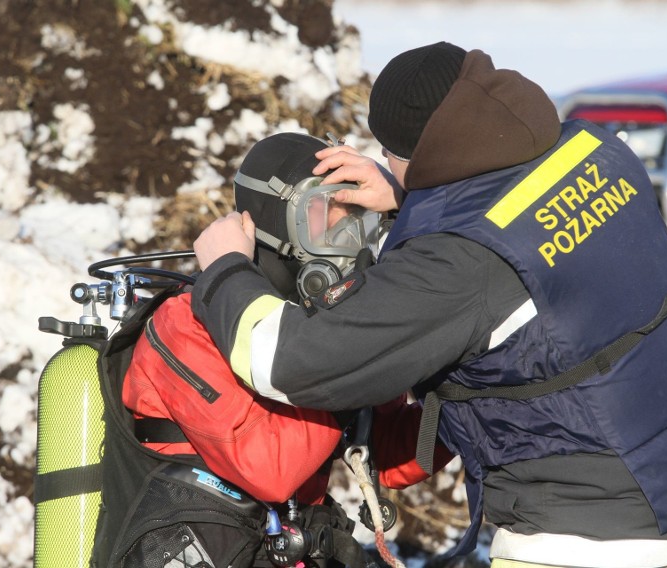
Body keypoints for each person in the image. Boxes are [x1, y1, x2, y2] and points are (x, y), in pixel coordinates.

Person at [189, 42, 667, 567]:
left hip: (594, 540)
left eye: (391, 157)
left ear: (413, 156)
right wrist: (413, 197)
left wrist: (225, 271)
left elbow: (292, 362)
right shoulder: (593, 148)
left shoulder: (458, 265)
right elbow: (522, 231)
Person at [121, 131, 453, 568]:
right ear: (272, 223)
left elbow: (390, 455)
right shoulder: (187, 323)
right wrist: (351, 359)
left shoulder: (324, 328)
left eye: (358, 216)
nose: (348, 236)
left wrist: (463, 391)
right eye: (324, 216)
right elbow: (269, 469)